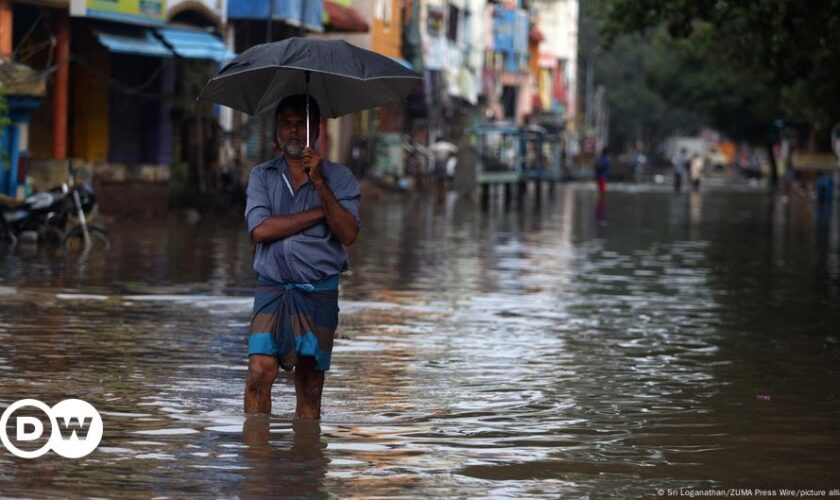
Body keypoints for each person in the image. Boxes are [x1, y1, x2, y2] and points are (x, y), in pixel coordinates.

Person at [243, 95, 361, 419]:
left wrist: (319, 184)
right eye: (287, 124)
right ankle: (257, 459)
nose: (294, 131)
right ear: (278, 129)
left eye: (302, 124)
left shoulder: (340, 179)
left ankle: (305, 463)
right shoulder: (262, 176)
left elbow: (348, 234)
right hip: (273, 288)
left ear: (317, 129)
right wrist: (318, 214)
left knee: (310, 384)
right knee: (258, 372)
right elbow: (260, 230)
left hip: (318, 291)